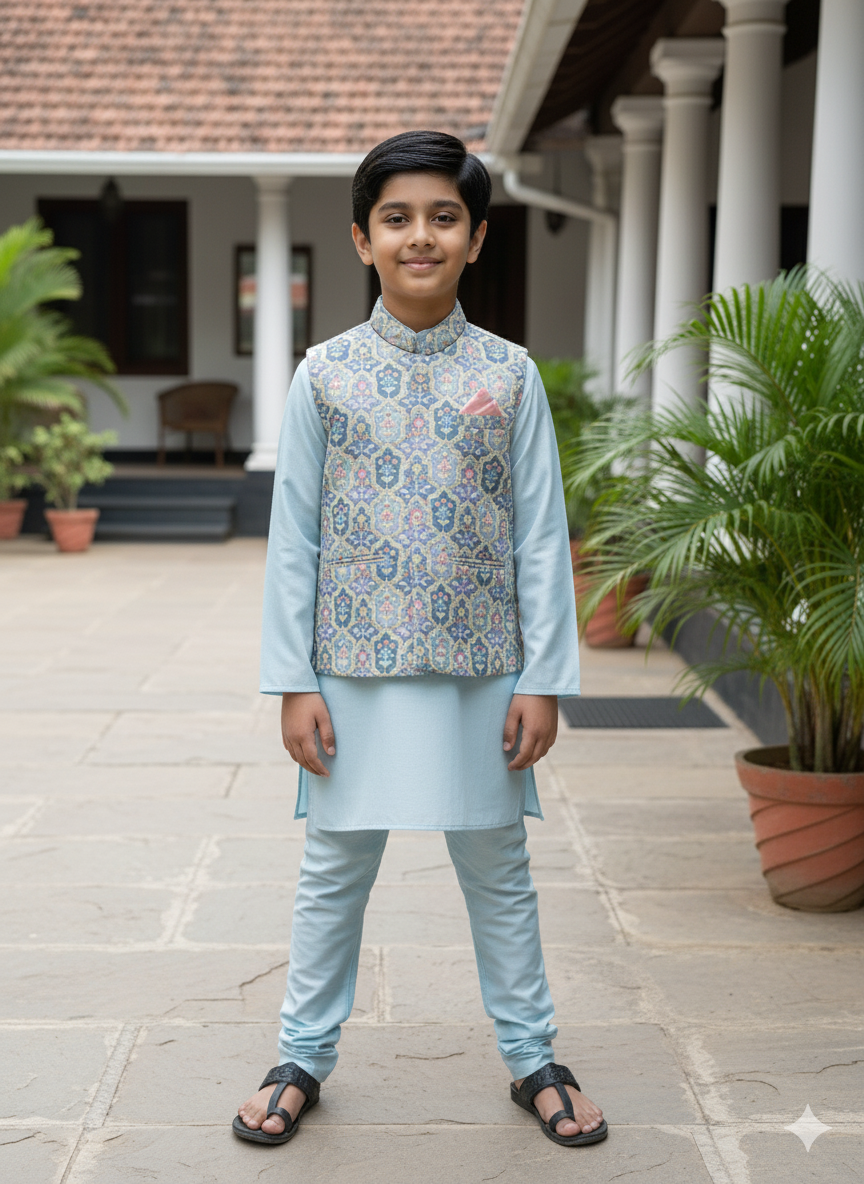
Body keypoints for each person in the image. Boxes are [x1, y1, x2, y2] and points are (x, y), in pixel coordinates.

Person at [232, 130, 607, 1150]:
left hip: (484, 672)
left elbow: (540, 534)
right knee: (333, 873)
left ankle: (533, 1055)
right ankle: (300, 1055)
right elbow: (294, 539)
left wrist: (544, 677)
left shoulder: (511, 374)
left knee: (499, 871)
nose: (421, 236)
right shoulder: (323, 374)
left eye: (444, 217)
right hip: (350, 673)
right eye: (396, 218)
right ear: (362, 238)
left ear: (477, 238)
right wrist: (292, 680)